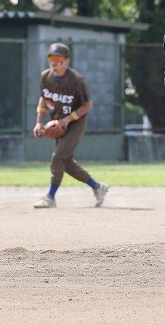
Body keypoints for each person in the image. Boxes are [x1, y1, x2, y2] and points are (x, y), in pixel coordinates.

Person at [32, 42, 109, 208]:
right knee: (66, 163)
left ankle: (50, 197)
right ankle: (98, 187)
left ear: (66, 61)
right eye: (51, 57)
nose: (53, 61)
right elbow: (43, 99)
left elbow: (87, 105)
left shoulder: (76, 80)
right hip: (58, 123)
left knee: (57, 156)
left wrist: (68, 120)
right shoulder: (46, 77)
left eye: (57, 58)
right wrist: (38, 122)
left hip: (75, 123)